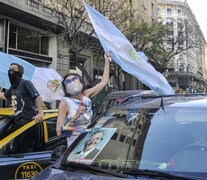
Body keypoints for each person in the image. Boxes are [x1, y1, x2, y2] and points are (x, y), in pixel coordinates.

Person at [56, 51, 111, 146]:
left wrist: (107, 61)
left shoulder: (86, 95)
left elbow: (104, 82)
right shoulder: (65, 103)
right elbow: (59, 133)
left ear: (81, 83)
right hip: (75, 146)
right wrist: (76, 116)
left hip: (90, 143)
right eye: (68, 82)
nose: (71, 83)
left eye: (74, 80)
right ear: (65, 88)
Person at [0, 63, 43, 153]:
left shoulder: (26, 83)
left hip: (28, 123)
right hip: (18, 123)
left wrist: (40, 112)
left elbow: (37, 97)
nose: (10, 71)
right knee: (16, 149)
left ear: (20, 72)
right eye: (9, 69)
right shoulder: (13, 87)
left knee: (25, 150)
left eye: (13, 69)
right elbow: (5, 96)